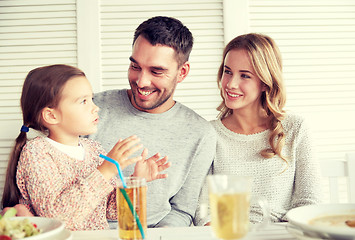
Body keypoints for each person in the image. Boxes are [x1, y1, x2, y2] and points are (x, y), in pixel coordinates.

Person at [1, 64, 170, 231]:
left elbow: (111, 211)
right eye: (83, 101)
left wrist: (135, 180)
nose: (95, 108)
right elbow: (56, 219)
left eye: (92, 99)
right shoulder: (37, 152)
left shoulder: (95, 150)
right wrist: (105, 171)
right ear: (51, 115)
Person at [89, 16, 217, 227]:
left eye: (156, 71)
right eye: (135, 66)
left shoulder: (200, 133)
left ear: (182, 72)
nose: (141, 82)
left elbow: (182, 211)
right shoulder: (91, 108)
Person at [194, 33, 322, 226]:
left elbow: (310, 202)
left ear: (265, 82)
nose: (230, 84)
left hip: (284, 235)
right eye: (227, 71)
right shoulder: (209, 133)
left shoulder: (296, 128)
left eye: (244, 75)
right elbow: (203, 209)